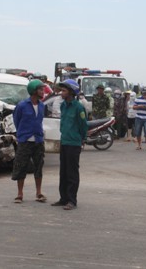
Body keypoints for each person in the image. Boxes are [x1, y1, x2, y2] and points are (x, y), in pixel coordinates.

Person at [51, 79, 88, 211]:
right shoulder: (63, 106)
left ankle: (72, 200)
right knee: (63, 172)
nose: (62, 92)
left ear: (72, 92)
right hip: (64, 142)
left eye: (64, 90)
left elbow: (83, 126)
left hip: (74, 143)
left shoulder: (79, 107)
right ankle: (63, 198)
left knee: (72, 173)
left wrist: (82, 139)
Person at [11, 79, 47, 204]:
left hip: (38, 140)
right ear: (33, 91)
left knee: (39, 166)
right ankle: (20, 194)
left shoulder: (42, 105)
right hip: (25, 140)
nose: (43, 91)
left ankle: (39, 193)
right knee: (21, 166)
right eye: (41, 89)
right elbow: (16, 120)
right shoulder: (21, 106)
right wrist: (23, 133)